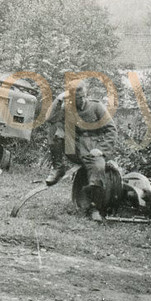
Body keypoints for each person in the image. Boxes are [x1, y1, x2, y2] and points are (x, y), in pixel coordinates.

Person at [45, 79, 118, 221]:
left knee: (98, 167)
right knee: (55, 128)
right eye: (78, 98)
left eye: (84, 95)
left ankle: (94, 207)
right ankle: (58, 168)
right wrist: (59, 99)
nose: (83, 100)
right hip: (74, 148)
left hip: (93, 149)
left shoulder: (97, 107)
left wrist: (101, 150)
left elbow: (111, 130)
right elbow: (50, 119)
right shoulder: (67, 108)